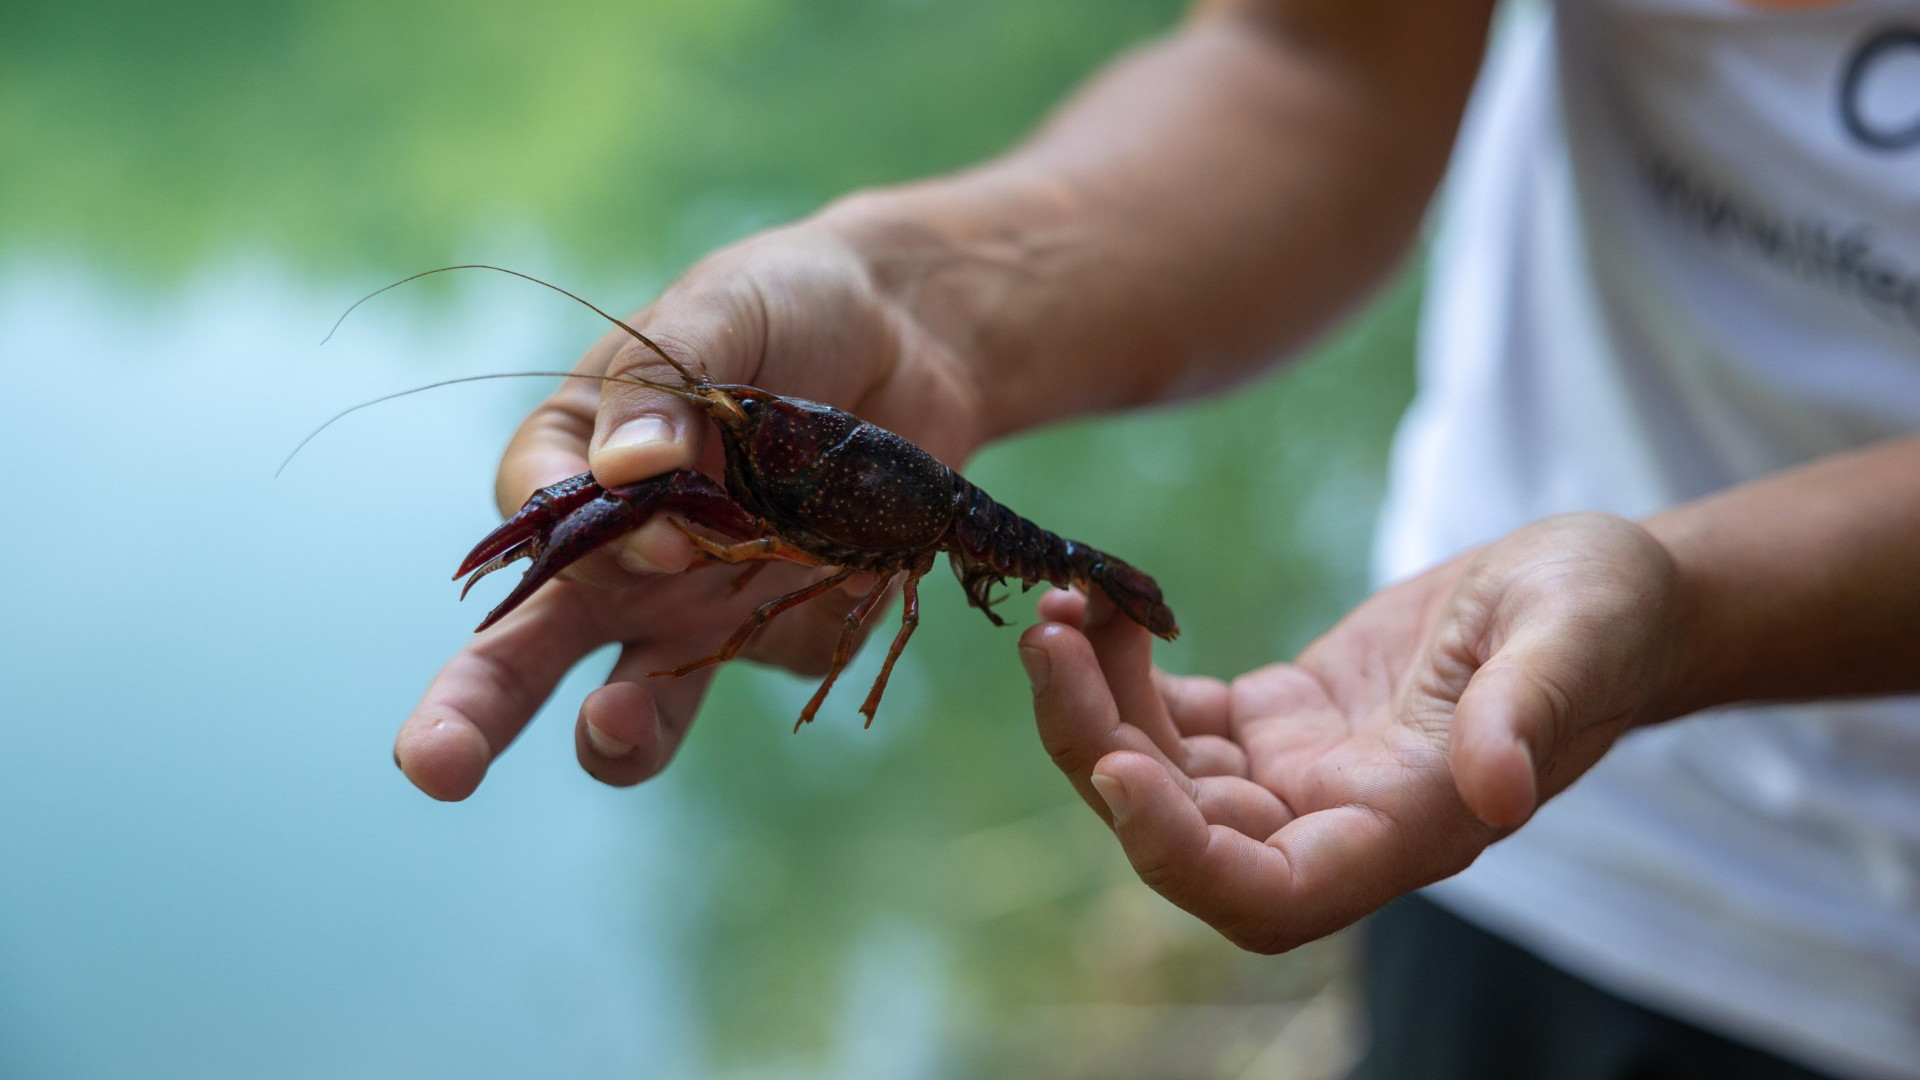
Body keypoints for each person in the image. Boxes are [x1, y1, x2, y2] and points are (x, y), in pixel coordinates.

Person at [391, 0, 1920, 1076]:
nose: (750, 451)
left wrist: (1691, 604)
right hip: (1511, 810)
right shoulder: (790, 460)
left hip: (1603, 765)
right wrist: (922, 287)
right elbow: (1319, 57)